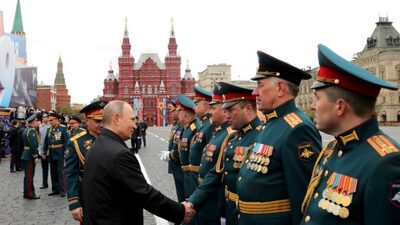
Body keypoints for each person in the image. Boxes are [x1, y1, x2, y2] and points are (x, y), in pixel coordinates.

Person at [300, 44, 400, 225]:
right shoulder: (332, 148)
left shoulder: (385, 163)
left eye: (317, 98)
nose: (312, 106)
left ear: (340, 106)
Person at [235, 51, 322, 225]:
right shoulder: (272, 122)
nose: (255, 92)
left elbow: (302, 198)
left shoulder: (298, 128)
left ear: (280, 88)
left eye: (260, 85)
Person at [83, 100, 195, 225]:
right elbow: (144, 194)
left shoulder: (98, 145)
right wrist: (180, 211)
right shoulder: (119, 154)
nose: (135, 125)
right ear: (116, 119)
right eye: (131, 120)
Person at [187, 82, 262, 225]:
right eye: (225, 110)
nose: (226, 116)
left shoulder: (262, 136)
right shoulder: (232, 138)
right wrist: (192, 202)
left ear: (247, 109)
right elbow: (216, 174)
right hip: (229, 212)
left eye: (230, 110)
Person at [65, 100, 108, 223]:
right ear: (87, 120)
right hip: (89, 196)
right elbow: (70, 173)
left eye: (104, 121)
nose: (102, 125)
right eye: (98, 121)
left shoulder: (115, 138)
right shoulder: (76, 142)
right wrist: (74, 203)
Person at [196, 83, 232, 225]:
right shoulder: (218, 133)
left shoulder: (228, 135)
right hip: (206, 193)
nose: (209, 112)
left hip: (215, 197)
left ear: (224, 110)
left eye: (213, 108)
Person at [43, 112, 68, 197]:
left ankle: (63, 190)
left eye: (52, 120)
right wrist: (44, 152)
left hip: (60, 153)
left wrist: (66, 152)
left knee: (60, 172)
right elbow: (46, 142)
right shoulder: (49, 130)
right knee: (53, 172)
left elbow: (66, 142)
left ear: (57, 120)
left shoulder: (63, 128)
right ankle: (55, 189)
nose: (50, 122)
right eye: (49, 121)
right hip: (52, 153)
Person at [21, 113, 40, 199]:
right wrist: (35, 156)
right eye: (36, 121)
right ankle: (30, 194)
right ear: (32, 122)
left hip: (25, 154)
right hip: (29, 156)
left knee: (27, 176)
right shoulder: (31, 131)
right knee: (29, 176)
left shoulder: (26, 130)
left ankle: (26, 192)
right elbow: (32, 145)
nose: (37, 123)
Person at [38, 112, 50, 189]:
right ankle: (44, 183)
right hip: (43, 150)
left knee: (54, 168)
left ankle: (56, 185)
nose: (43, 119)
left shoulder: (51, 126)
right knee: (44, 168)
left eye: (45, 117)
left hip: (51, 149)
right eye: (42, 117)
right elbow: (39, 138)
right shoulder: (40, 127)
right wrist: (39, 149)